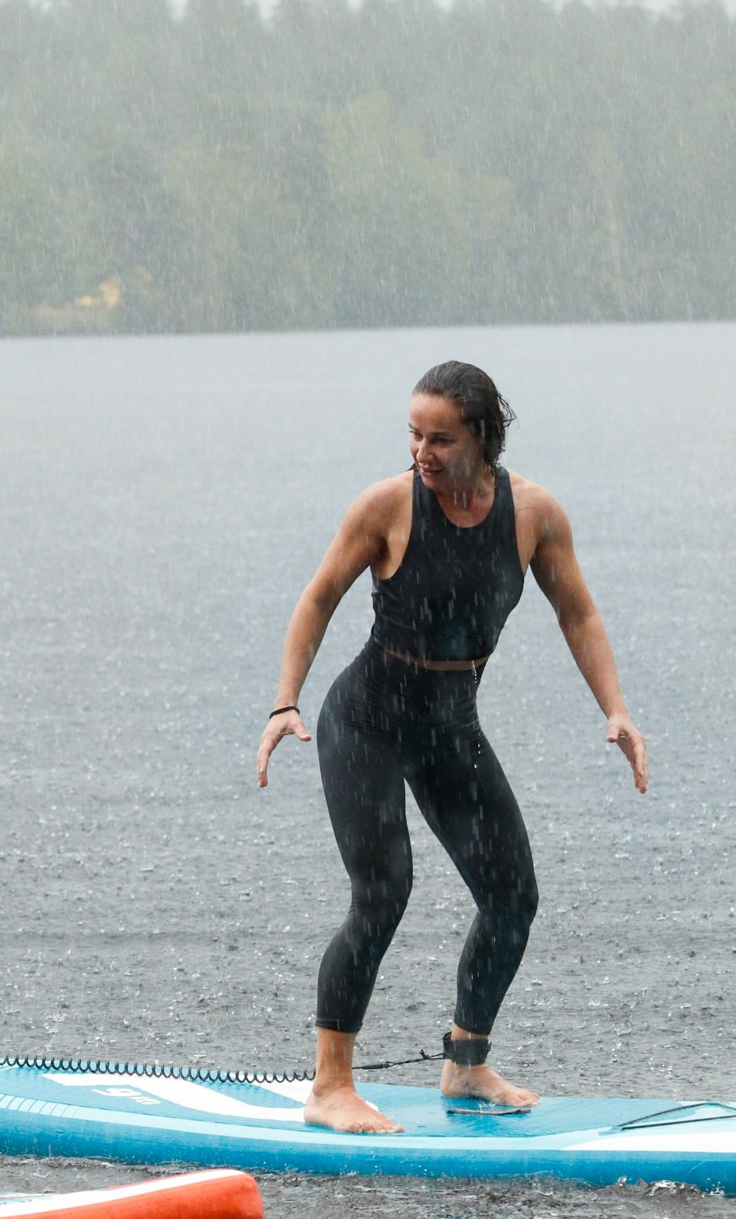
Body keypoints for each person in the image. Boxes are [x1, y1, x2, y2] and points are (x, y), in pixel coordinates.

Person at [255, 363, 647, 1135]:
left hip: (448, 725)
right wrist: (283, 702)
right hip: (366, 719)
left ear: (483, 437)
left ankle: (466, 1064)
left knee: (512, 894)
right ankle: (330, 1086)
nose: (421, 451)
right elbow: (319, 596)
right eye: (413, 433)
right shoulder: (388, 506)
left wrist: (617, 710)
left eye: (440, 437)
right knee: (383, 891)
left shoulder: (531, 514)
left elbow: (578, 613)